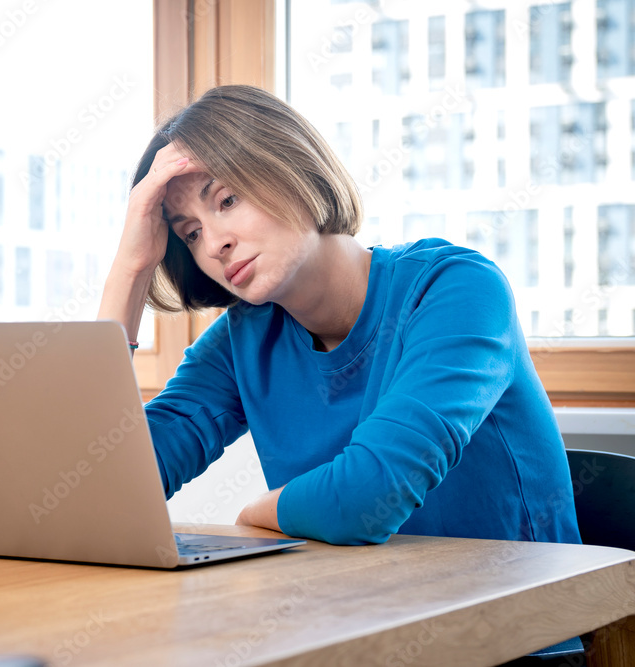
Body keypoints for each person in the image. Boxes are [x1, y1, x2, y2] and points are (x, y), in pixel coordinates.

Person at [97, 84, 581, 546]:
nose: (216, 242)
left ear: (294, 169)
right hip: (353, 616)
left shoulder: (456, 289)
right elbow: (104, 490)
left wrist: (256, 513)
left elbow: (369, 494)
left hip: (520, 623)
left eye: (227, 200)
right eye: (191, 234)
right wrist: (132, 269)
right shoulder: (243, 341)